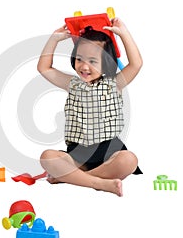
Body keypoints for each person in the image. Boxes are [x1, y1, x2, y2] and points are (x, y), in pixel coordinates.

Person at [37, 17, 143, 197]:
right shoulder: (72, 84)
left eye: (93, 61)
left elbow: (136, 64)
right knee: (47, 157)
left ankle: (73, 179)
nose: (84, 66)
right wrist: (54, 39)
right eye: (79, 59)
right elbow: (44, 68)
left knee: (129, 160)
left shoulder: (114, 83)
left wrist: (124, 34)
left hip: (110, 153)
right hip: (78, 155)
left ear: (107, 62)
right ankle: (98, 183)